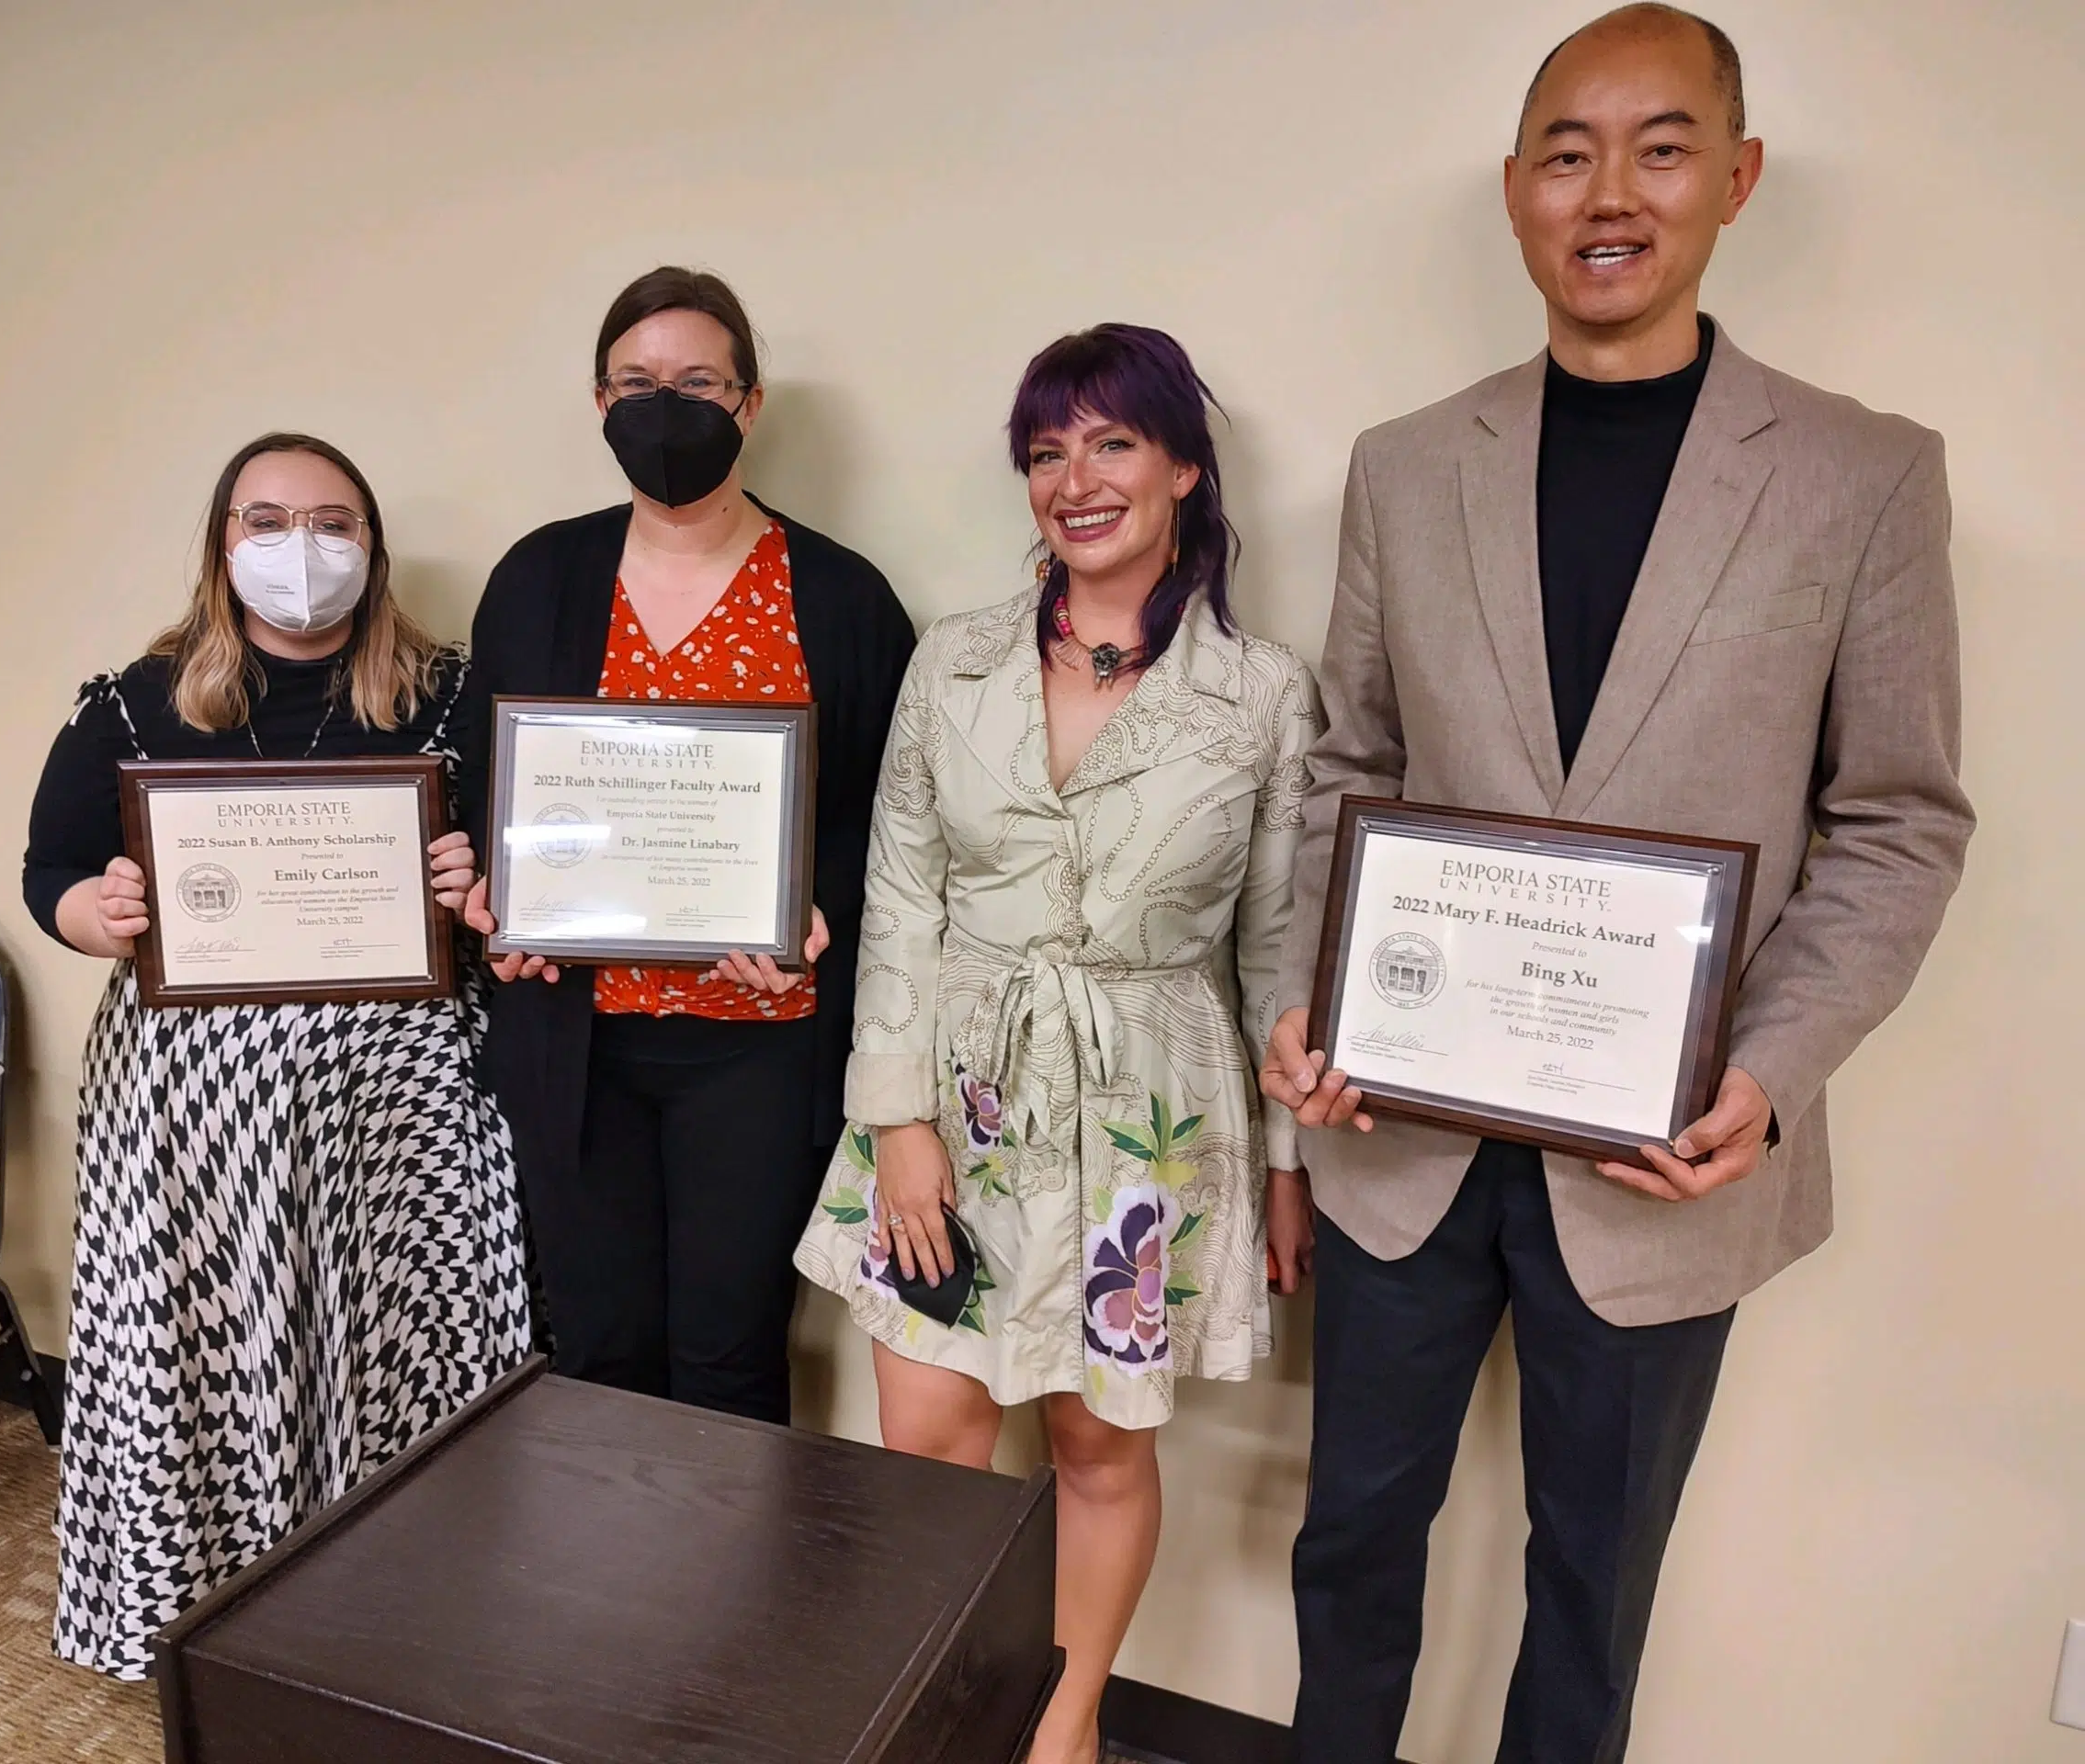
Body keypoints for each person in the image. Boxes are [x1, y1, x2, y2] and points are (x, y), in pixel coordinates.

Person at [1261, 9, 1973, 1760]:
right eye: (1569, 152)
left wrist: (1767, 1074)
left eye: (1662, 150)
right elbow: (1348, 769)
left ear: (1732, 181)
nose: (1611, 193)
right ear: (1516, 192)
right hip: (1403, 1147)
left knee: (1592, 1585)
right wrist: (1300, 996)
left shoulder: (1862, 474)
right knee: (1350, 1547)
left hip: (1666, 1162)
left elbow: (1899, 818)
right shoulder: (1408, 465)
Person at [794, 323, 1317, 1764]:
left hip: (1148, 1111)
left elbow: (1273, 947)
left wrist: (1286, 1166)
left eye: (1111, 443)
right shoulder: (952, 664)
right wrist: (896, 1119)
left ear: (1183, 467)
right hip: (954, 1097)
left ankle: (1063, 1730)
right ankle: (949, 1710)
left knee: (1099, 1445)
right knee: (933, 1439)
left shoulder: (1263, 696)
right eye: (1045, 452)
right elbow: (899, 895)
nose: (1074, 480)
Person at [22, 432, 532, 1679]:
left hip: (397, 1106)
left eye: (332, 522)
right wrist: (99, 913)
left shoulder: (454, 692)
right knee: (213, 1356)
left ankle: (415, 1622)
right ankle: (213, 1627)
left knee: (405, 1335)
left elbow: (527, 871)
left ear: (373, 546)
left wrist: (479, 880)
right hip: (191, 1113)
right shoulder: (135, 699)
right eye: (265, 522)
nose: (300, 549)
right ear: (220, 547)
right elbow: (52, 872)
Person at [459, 267, 915, 1426]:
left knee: (729, 1351)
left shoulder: (842, 597)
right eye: (638, 383)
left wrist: (819, 912)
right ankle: (611, 1608)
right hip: (577, 1039)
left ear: (750, 403)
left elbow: (891, 826)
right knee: (599, 1348)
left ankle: (732, 1612)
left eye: (699, 382)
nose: (668, 407)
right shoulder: (537, 578)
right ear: (600, 403)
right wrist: (492, 907)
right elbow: (485, 790)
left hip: (757, 1047)